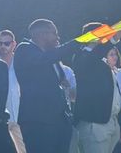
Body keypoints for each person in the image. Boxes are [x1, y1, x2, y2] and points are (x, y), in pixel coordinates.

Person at [13, 19, 82, 153]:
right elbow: (45, 59)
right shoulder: (25, 49)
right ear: (41, 34)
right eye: (54, 33)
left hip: (59, 123)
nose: (57, 37)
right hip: (39, 124)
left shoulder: (50, 56)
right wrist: (78, 42)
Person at [73, 23, 121, 153]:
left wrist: (117, 124)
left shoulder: (102, 62)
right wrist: (116, 36)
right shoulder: (82, 57)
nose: (106, 37)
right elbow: (93, 57)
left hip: (111, 121)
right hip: (95, 124)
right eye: (103, 33)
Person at [0, 30, 25, 153]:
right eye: (0, 43)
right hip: (1, 118)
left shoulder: (21, 62)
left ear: (14, 44)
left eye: (6, 43)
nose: (2, 46)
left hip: (21, 115)